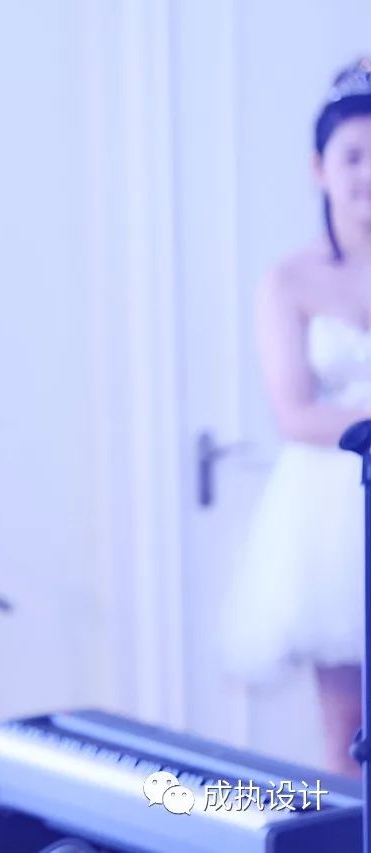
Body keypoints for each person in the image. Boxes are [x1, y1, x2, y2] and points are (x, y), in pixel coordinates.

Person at [218, 58, 371, 779]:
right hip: (334, 508)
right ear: (320, 168)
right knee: (346, 726)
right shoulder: (289, 279)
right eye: (353, 155)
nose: (367, 172)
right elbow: (295, 412)